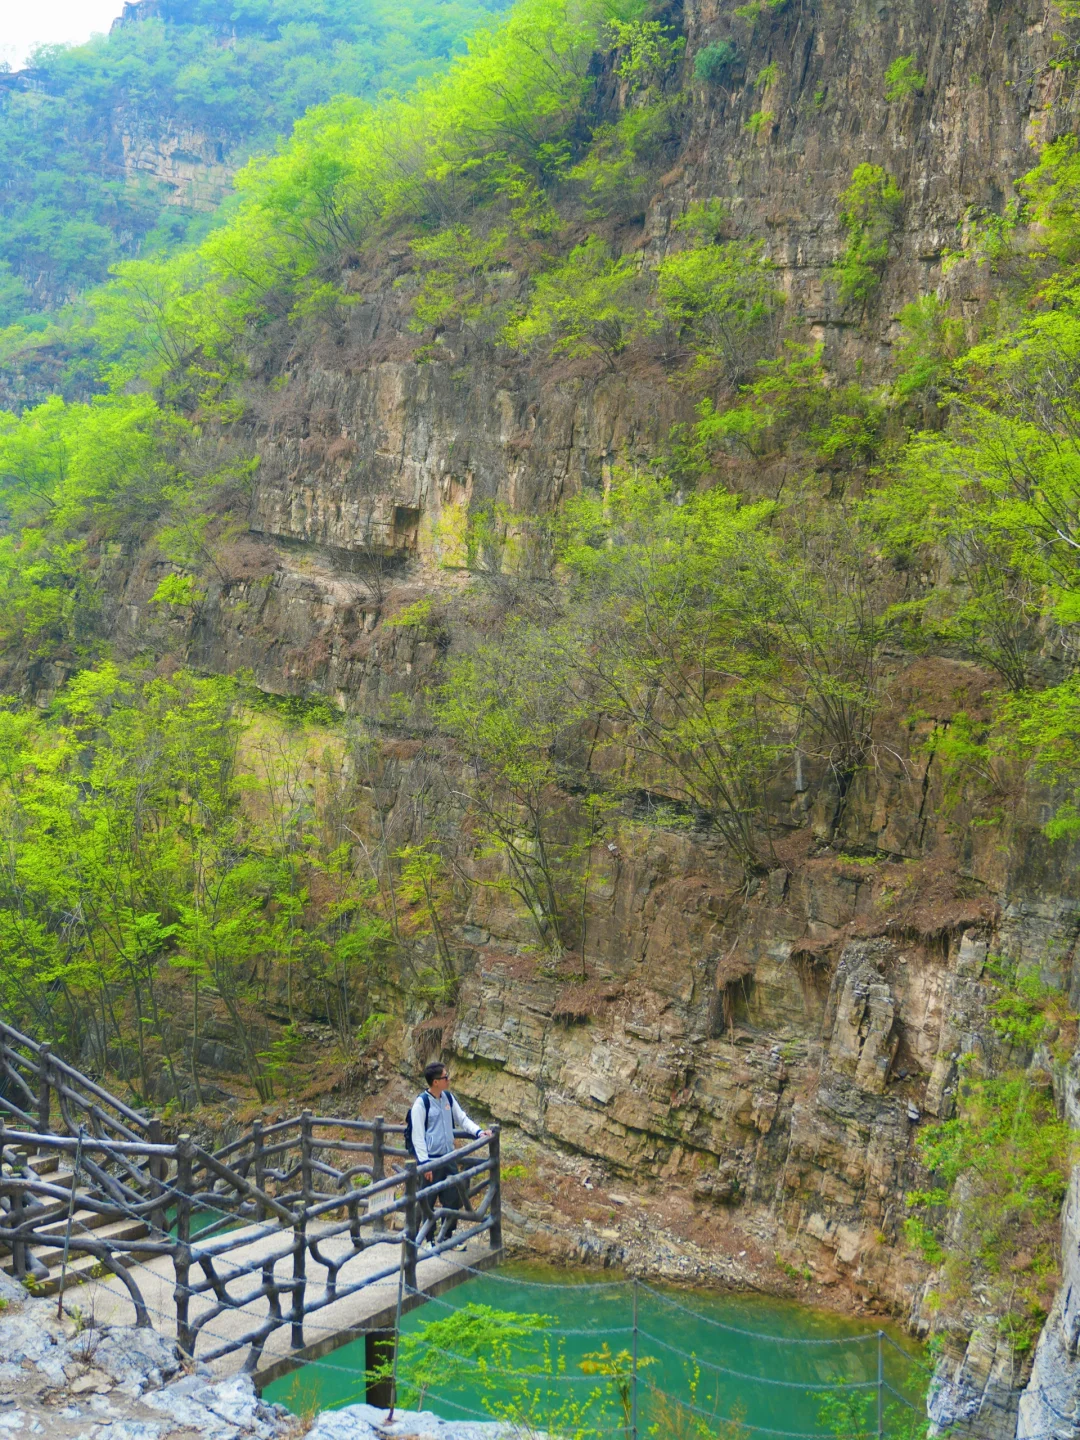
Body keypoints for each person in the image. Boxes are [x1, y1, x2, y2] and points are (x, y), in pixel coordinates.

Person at [408, 1061, 490, 1250]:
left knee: (452, 1198)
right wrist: (424, 1163)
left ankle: (447, 1236)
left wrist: (479, 1132)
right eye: (445, 1077)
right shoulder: (421, 1104)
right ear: (435, 1081)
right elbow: (417, 1136)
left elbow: (462, 1119)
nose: (448, 1079)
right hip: (431, 1159)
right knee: (428, 1200)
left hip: (449, 1157)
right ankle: (428, 1238)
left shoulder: (448, 1098)